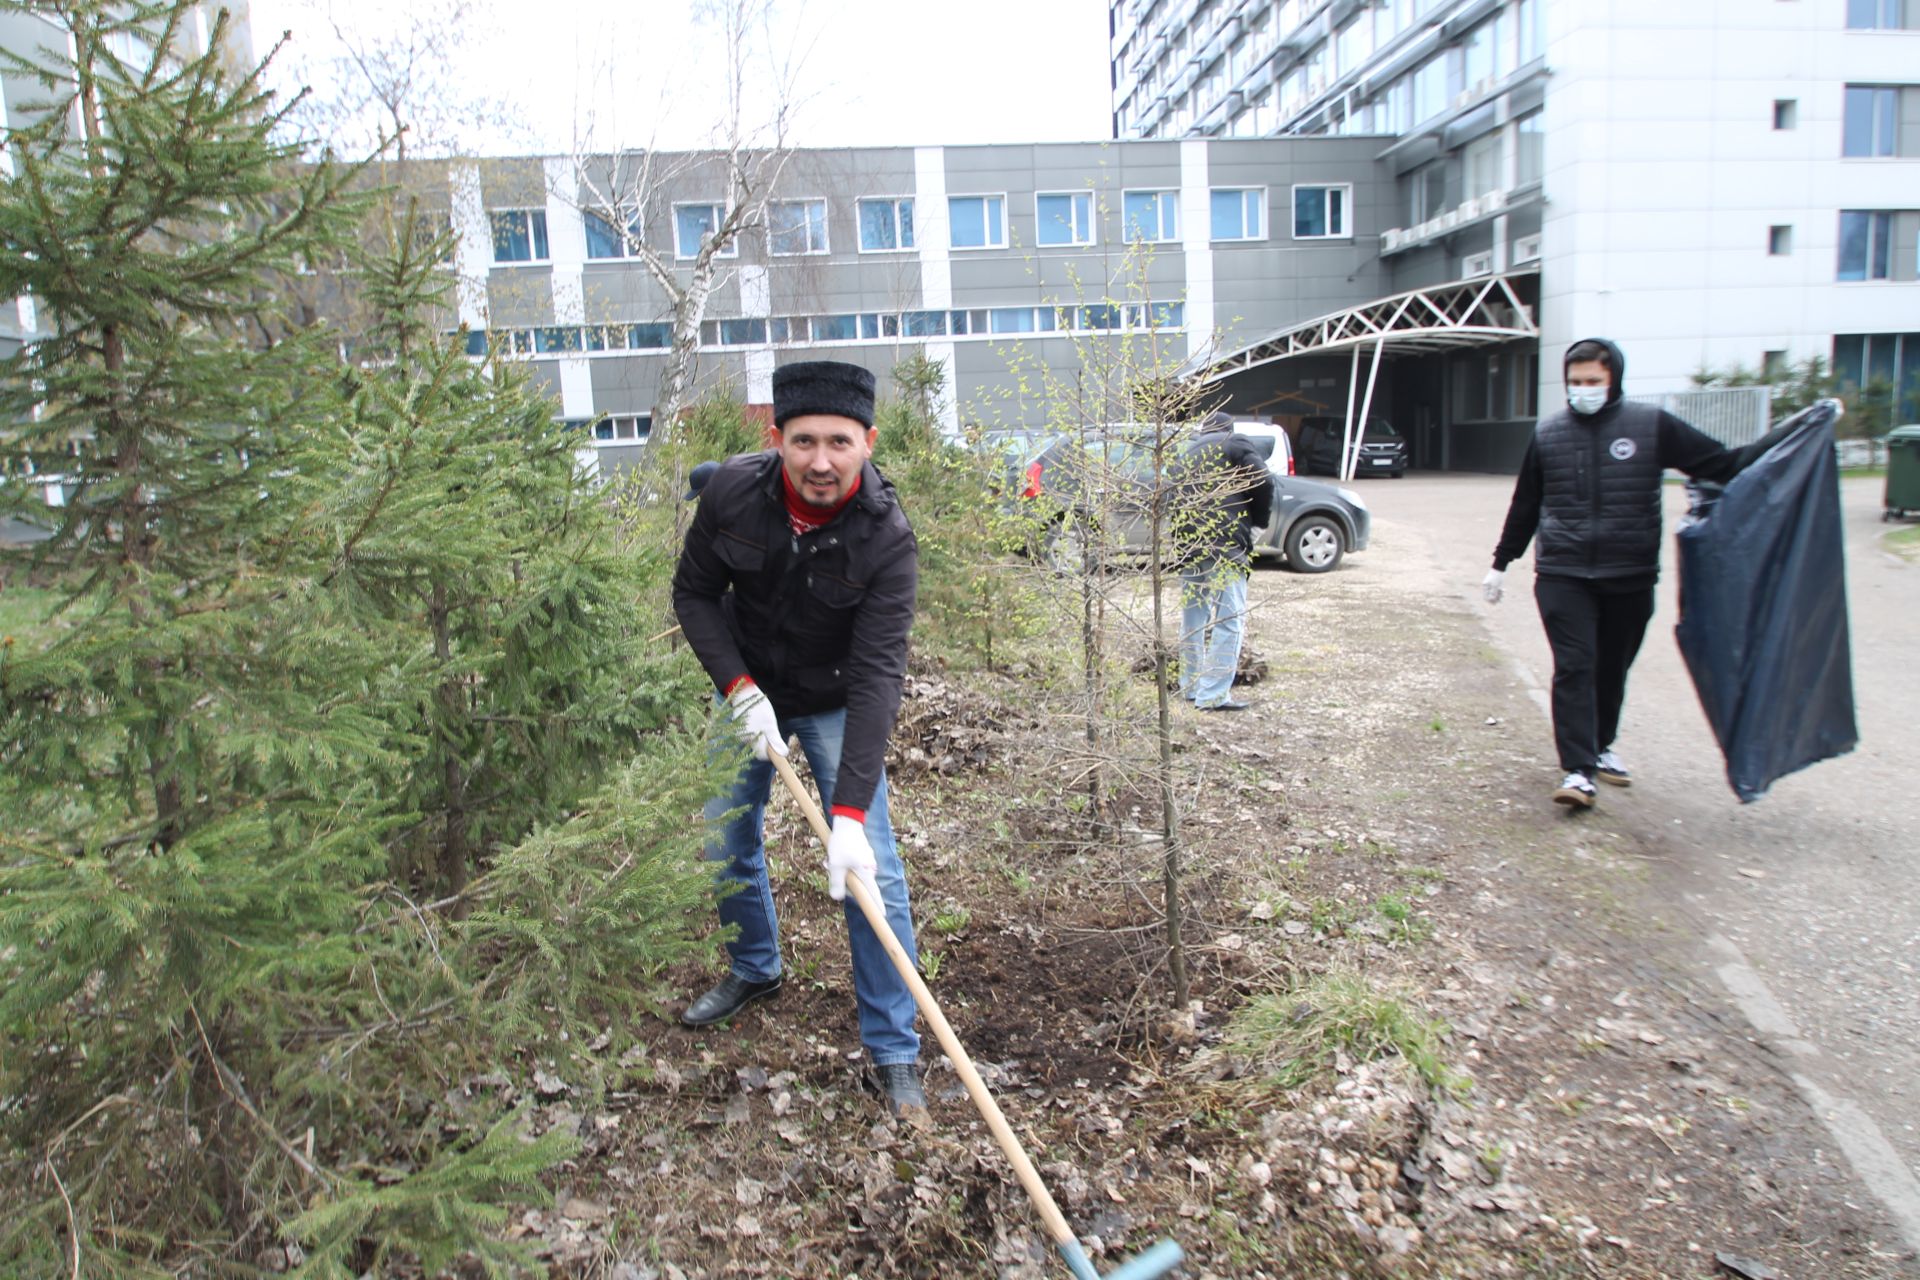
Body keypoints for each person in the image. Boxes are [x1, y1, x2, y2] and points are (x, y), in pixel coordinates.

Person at [669, 360, 927, 1119]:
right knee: (724, 837)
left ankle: (893, 1049)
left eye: (839, 442)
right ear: (776, 438)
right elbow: (694, 592)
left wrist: (847, 817)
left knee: (871, 873)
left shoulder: (886, 539)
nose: (821, 460)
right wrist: (737, 688)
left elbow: (878, 677)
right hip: (750, 686)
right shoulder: (730, 493)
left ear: (868, 442)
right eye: (804, 440)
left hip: (837, 696)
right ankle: (756, 967)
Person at [1485, 338, 1796, 809]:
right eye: (1575, 382)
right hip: (1563, 572)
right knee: (1575, 665)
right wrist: (1501, 562)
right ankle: (1578, 770)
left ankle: (1600, 746)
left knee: (1612, 668)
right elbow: (1526, 503)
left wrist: (1795, 430)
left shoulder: (1651, 426)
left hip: (1629, 574)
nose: (1583, 390)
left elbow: (1725, 464)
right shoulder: (1549, 434)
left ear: (1613, 380)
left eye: (1593, 381)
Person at [1174, 410, 1275, 712]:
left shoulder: (1186, 453)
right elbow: (1264, 480)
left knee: (1193, 620)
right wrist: (1259, 523)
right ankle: (1213, 696)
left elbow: (1171, 500)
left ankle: (1191, 687)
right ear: (1228, 429)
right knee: (1229, 621)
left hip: (1190, 546)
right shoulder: (1234, 442)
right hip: (1224, 547)